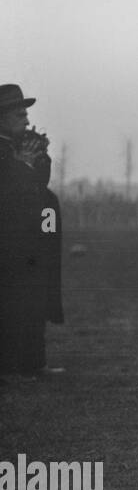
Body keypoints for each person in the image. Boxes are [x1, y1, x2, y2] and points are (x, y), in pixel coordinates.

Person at [0, 84, 64, 382]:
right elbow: (15, 193)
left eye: (26, 114)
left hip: (30, 240)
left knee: (34, 299)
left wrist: (40, 159)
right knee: (13, 303)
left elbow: (38, 186)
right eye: (19, 114)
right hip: (9, 242)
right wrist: (24, 163)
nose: (26, 121)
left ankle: (33, 362)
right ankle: (12, 367)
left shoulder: (15, 147)